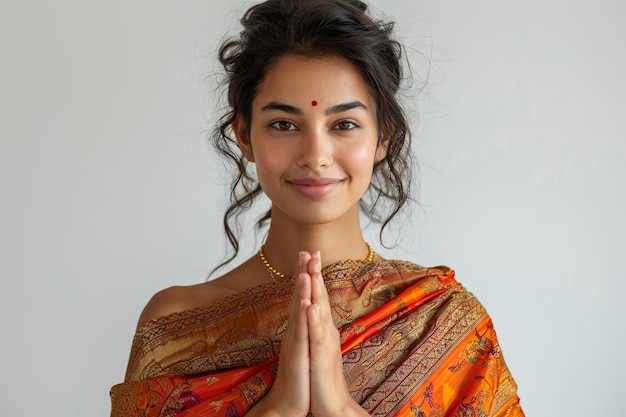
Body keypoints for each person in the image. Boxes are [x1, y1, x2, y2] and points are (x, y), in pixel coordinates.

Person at [110, 0, 524, 416]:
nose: (315, 155)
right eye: (283, 125)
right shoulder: (176, 326)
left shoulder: (443, 322)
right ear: (245, 136)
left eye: (344, 124)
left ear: (384, 137)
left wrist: (342, 411)